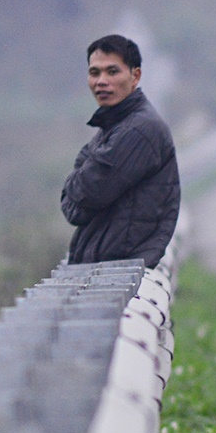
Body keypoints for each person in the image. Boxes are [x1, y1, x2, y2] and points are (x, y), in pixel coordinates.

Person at [61, 34, 180, 268]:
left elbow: (88, 194)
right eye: (94, 73)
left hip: (122, 273)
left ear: (135, 76)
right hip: (108, 268)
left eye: (112, 72)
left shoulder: (139, 130)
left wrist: (75, 180)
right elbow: (72, 209)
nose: (101, 81)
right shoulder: (114, 126)